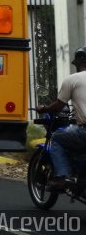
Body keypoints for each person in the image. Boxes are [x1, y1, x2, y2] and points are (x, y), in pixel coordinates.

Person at [36, 46, 86, 191]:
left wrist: (44, 108)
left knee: (57, 138)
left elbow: (58, 106)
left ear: (77, 63)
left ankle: (61, 178)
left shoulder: (72, 79)